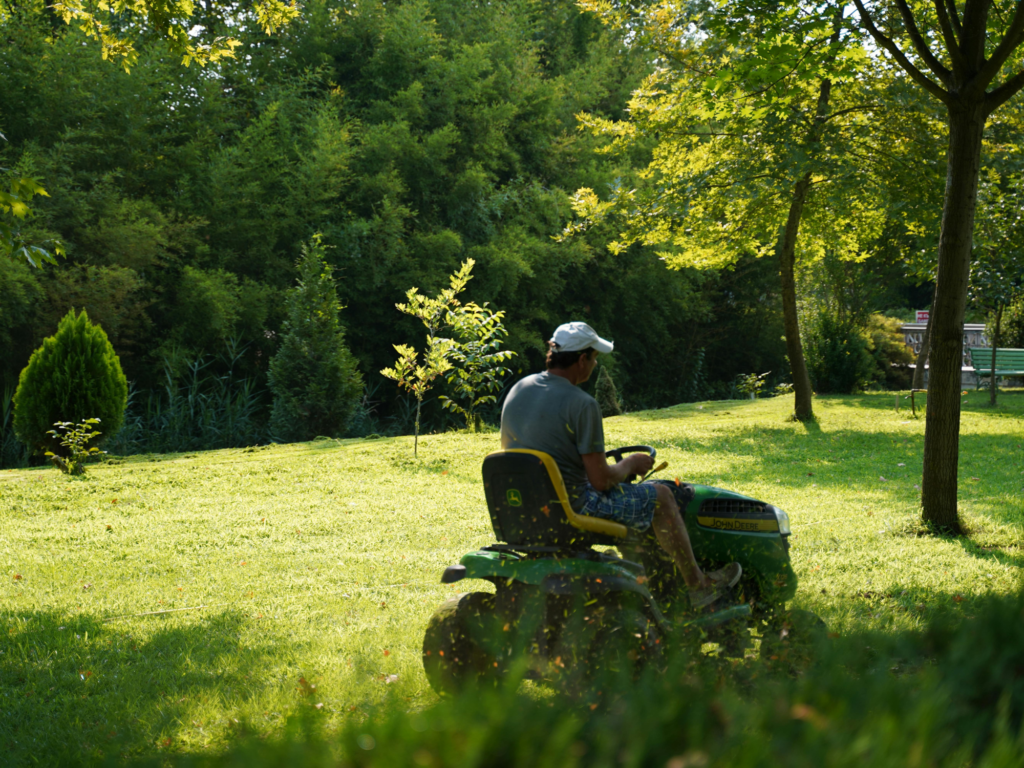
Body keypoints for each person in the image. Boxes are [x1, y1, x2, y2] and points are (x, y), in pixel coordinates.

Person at [500, 321, 741, 608]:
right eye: (594, 357)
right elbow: (602, 481)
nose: (594, 364)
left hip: (525, 507)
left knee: (634, 498)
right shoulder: (582, 403)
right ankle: (698, 585)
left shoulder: (519, 389)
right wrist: (630, 463)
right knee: (661, 496)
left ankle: (647, 583)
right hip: (573, 508)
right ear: (581, 360)